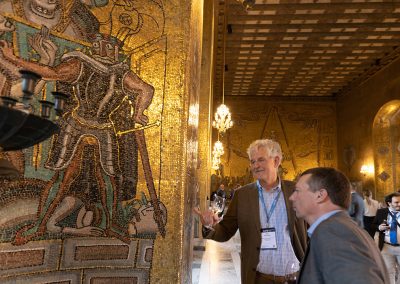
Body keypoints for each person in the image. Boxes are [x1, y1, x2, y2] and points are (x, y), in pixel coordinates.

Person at [194, 139, 307, 284]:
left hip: (295, 277)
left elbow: (312, 230)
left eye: (261, 160)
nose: (255, 166)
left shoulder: (297, 190)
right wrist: (209, 225)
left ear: (276, 161)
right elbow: (225, 230)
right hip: (258, 278)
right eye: (252, 162)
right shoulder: (242, 195)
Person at [290, 167, 389, 284]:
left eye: (297, 191)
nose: (292, 197)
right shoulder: (342, 227)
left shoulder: (333, 231)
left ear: (320, 195)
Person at [373, 192, 400, 284]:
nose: (399, 204)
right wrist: (379, 227)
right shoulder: (381, 212)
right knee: (389, 272)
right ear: (389, 203)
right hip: (386, 248)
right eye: (396, 202)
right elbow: (373, 226)